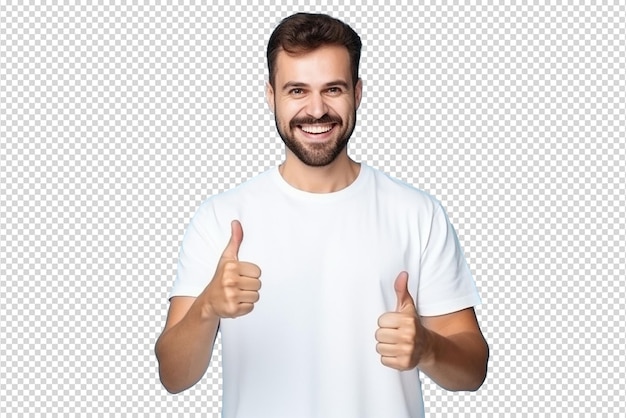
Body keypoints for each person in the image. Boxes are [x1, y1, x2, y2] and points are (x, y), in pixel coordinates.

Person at [155, 12, 489, 418]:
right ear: (270, 95)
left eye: (333, 89)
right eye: (297, 90)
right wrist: (207, 307)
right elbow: (174, 376)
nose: (316, 110)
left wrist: (428, 348)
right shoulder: (220, 218)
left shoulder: (418, 213)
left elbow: (473, 370)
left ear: (358, 93)